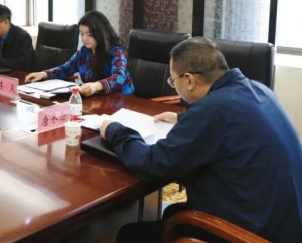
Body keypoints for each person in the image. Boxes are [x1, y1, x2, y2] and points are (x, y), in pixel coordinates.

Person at [99, 37, 302, 242]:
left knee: (130, 235)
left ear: (189, 80)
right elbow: (233, 123)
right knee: (172, 213)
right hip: (283, 223)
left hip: (250, 234)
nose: (173, 86)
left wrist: (115, 131)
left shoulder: (211, 111)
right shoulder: (259, 89)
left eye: (173, 80)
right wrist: (182, 118)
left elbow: (153, 164)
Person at [25, 10, 134, 96]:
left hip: (122, 100)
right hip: (96, 98)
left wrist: (96, 86)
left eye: (89, 34)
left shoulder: (116, 51)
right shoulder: (84, 51)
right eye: (82, 34)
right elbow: (66, 69)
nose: (84, 39)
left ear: (101, 33)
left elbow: (119, 77)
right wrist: (44, 74)